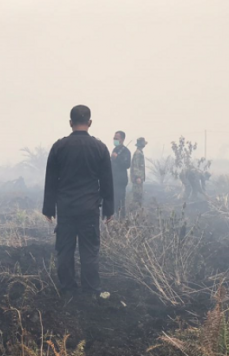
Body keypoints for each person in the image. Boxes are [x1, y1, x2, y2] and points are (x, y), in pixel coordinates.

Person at [43, 105, 114, 295]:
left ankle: (68, 288)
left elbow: (50, 180)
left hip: (66, 208)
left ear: (70, 122)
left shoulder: (59, 147)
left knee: (65, 249)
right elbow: (107, 181)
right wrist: (108, 209)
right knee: (89, 250)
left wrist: (48, 209)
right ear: (89, 122)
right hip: (89, 209)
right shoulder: (100, 148)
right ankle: (91, 290)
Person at [111, 130, 131, 218]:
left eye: (116, 138)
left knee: (120, 202)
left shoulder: (126, 151)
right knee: (113, 202)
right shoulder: (114, 150)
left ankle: (122, 220)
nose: (114, 140)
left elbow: (127, 164)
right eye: (114, 138)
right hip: (113, 180)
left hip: (120, 181)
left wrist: (117, 157)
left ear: (122, 139)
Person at [130, 137, 147, 209]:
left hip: (139, 178)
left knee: (139, 195)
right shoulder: (138, 153)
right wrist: (138, 177)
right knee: (137, 195)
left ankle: (138, 211)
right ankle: (136, 211)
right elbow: (136, 166)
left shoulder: (139, 152)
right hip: (138, 179)